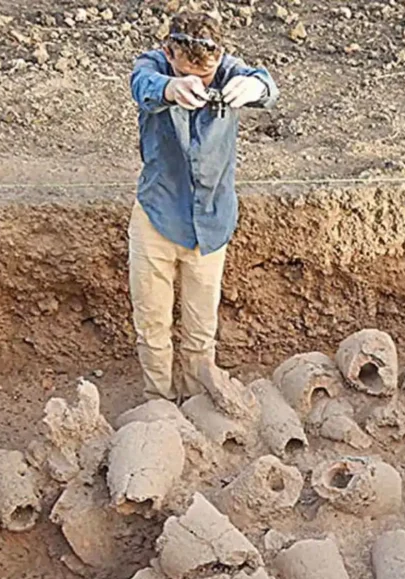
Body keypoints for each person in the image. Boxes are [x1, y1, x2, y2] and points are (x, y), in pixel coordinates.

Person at [128, 11, 278, 401]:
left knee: (200, 329)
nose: (202, 82)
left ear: (220, 55)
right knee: (153, 325)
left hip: (210, 221)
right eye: (189, 74)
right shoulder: (153, 66)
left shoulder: (229, 70)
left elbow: (267, 85)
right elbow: (142, 84)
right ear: (169, 52)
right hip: (157, 218)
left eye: (208, 76)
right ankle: (158, 403)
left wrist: (254, 88)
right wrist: (171, 89)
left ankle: (195, 403)